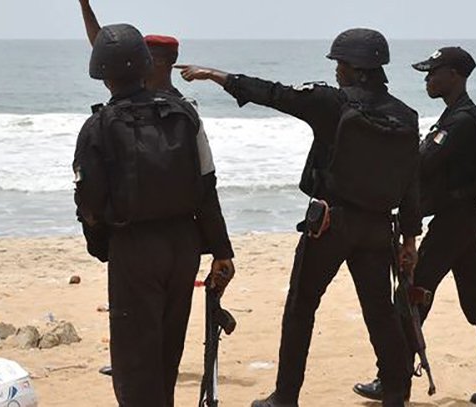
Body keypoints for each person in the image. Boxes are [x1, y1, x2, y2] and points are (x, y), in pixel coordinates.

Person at [177, 28, 421, 407]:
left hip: (330, 224)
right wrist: (409, 239)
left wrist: (217, 75)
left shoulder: (331, 102)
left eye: (340, 63)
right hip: (377, 228)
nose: (336, 70)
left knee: (301, 307)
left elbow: (273, 94)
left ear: (356, 68)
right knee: (380, 311)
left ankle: (286, 397)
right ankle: (396, 392)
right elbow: (410, 180)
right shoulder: (406, 115)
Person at [352, 46, 476, 405]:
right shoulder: (457, 117)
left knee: (411, 293)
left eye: (434, 72)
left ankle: (392, 381)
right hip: (462, 221)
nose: (427, 78)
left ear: (455, 75)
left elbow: (421, 163)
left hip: (456, 222)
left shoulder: (461, 121)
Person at [74, 24, 235, 407]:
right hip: (183, 246)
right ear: (146, 66)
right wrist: (221, 251)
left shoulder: (98, 126)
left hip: (133, 247)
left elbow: (89, 204)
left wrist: (103, 247)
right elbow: (206, 186)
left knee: (133, 362)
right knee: (167, 350)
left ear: (102, 74)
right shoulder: (185, 115)